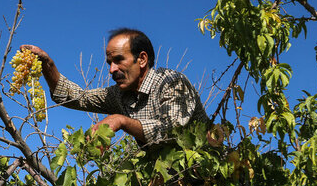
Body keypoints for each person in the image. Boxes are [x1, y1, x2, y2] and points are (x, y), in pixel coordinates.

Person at [21, 28, 208, 146]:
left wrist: (121, 120)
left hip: (209, 182)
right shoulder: (119, 94)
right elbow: (74, 96)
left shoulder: (173, 83)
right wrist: (47, 64)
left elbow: (170, 131)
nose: (111, 70)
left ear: (142, 59)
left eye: (118, 60)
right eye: (109, 63)